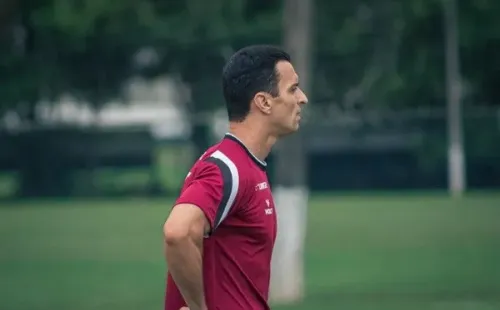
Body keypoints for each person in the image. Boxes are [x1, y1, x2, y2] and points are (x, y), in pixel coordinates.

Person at [163, 45, 308, 310]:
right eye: (293, 89)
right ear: (263, 102)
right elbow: (178, 231)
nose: (303, 98)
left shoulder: (246, 166)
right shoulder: (228, 168)